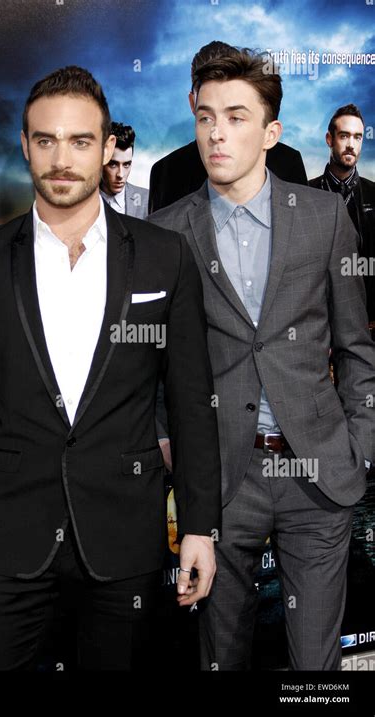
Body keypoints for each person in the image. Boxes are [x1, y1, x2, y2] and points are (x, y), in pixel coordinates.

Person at [0, 65, 221, 671]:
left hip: (126, 537)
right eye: (46, 140)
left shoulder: (165, 256)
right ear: (26, 145)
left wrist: (200, 528)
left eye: (81, 141)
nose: (62, 158)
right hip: (7, 539)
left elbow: (192, 402)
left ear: (108, 147)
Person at [149, 48, 375, 671]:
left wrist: (360, 444)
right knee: (220, 655)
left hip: (318, 474)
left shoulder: (326, 219)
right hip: (220, 484)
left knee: (315, 666)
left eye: (237, 117)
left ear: (272, 132)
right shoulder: (167, 232)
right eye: (205, 117)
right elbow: (153, 359)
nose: (216, 133)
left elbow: (357, 347)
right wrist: (171, 444)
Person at [148, 41, 307, 214]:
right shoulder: (165, 172)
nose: (217, 134)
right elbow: (158, 234)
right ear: (193, 101)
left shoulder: (288, 161)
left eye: (235, 118)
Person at [309, 104, 375, 323]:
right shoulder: (305, 193)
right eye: (344, 136)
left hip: (367, 320)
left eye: (357, 137)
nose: (351, 145)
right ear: (330, 139)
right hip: (319, 320)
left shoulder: (373, 194)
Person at [100, 121, 149, 218]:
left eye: (126, 164)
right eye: (113, 165)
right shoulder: (82, 200)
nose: (120, 175)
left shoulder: (147, 200)